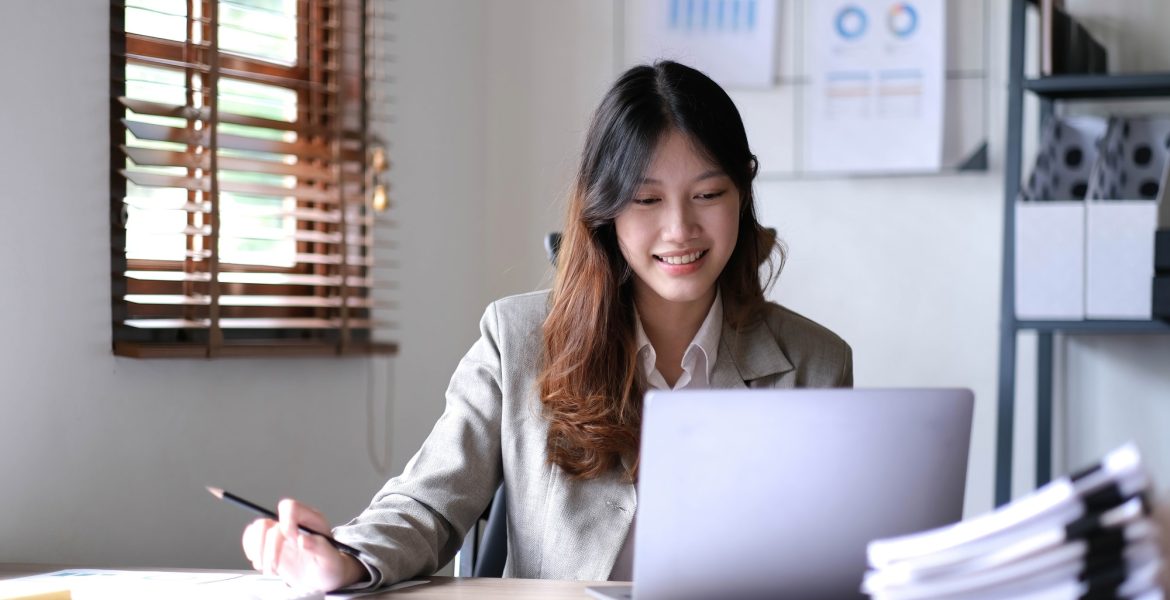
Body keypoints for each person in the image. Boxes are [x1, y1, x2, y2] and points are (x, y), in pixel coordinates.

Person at [241, 60, 853, 592]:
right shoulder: (516, 340)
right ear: (605, 211)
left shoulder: (815, 362)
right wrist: (348, 559)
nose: (679, 230)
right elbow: (428, 502)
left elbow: (837, 549)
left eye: (708, 194)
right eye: (646, 201)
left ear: (741, 198)